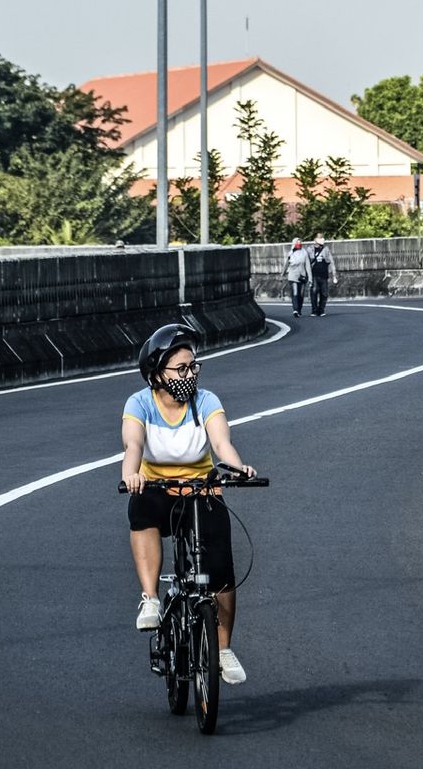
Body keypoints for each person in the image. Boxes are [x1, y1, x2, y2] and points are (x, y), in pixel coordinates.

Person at [121, 323, 257, 685]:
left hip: (200, 491)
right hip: (158, 489)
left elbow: (222, 443)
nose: (190, 374)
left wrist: (236, 467)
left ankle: (223, 649)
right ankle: (150, 597)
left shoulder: (206, 401)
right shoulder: (139, 403)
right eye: (181, 368)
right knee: (140, 508)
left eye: (193, 367)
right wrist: (132, 474)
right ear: (157, 373)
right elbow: (132, 446)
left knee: (222, 576)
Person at [308, 233, 338, 317]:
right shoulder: (310, 249)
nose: (322, 239)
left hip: (324, 274)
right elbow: (306, 262)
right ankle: (314, 310)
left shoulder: (326, 249)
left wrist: (334, 275)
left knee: (324, 293)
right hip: (314, 274)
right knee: (314, 292)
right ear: (315, 239)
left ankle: (321, 310)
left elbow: (331, 262)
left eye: (322, 238)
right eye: (320, 238)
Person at [285, 237, 311, 318]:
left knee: (301, 294)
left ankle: (299, 309)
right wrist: (282, 273)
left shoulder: (305, 253)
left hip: (302, 276)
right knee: (295, 292)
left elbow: (308, 266)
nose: (299, 244)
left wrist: (310, 277)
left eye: (300, 242)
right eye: (297, 242)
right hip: (293, 275)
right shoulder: (290, 253)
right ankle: (295, 309)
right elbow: (286, 264)